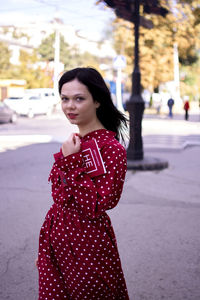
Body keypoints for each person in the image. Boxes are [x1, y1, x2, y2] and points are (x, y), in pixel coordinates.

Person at [36, 67, 130, 300]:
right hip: (56, 237)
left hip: (87, 244)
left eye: (79, 99)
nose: (70, 106)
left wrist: (72, 163)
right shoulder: (75, 142)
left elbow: (98, 205)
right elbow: (60, 198)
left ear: (97, 100)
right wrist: (48, 247)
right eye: (65, 99)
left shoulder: (112, 149)